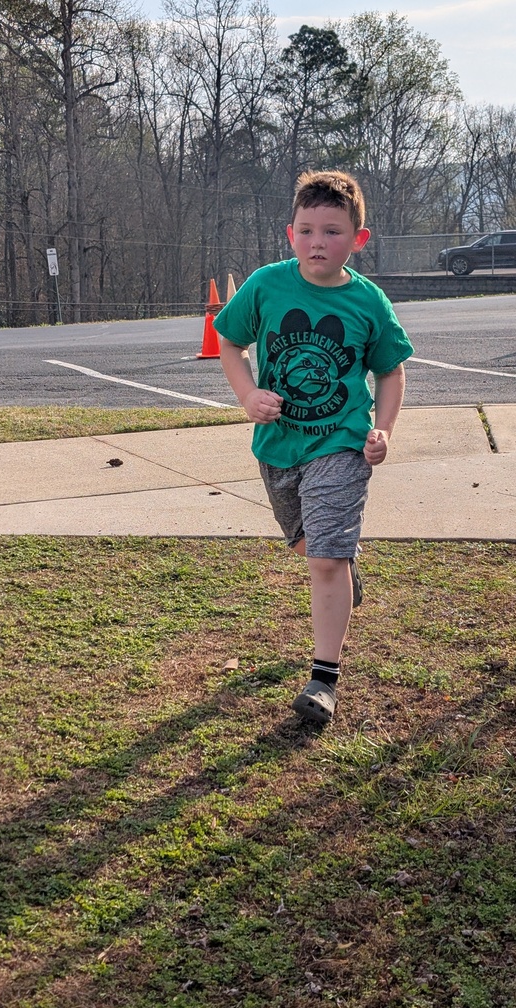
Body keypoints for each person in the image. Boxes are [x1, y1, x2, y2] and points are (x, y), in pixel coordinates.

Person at [214, 169, 414, 725]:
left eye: (331, 231)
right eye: (306, 231)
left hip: (341, 444)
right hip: (277, 448)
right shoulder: (267, 285)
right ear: (290, 234)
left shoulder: (368, 302)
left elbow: (391, 374)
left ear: (358, 239)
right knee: (311, 547)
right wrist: (248, 393)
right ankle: (345, 577)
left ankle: (324, 679)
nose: (317, 242)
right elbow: (230, 342)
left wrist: (384, 430)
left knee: (324, 559)